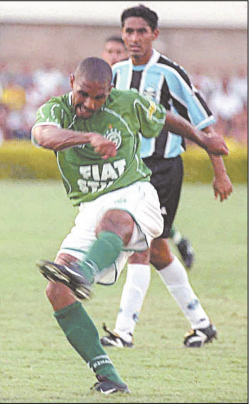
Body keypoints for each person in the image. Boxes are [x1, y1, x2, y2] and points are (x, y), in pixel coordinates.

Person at [33, 57, 228, 394]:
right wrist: (88, 138)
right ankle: (108, 375)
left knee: (113, 222)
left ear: (110, 91)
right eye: (84, 94)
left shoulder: (128, 103)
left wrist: (201, 137)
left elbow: (166, 118)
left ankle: (86, 270)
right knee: (56, 290)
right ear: (71, 83)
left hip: (136, 195)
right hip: (90, 209)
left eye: (100, 97)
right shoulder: (56, 111)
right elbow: (43, 135)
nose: (91, 104)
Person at [100, 4, 234, 350]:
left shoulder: (170, 73)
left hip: (162, 171)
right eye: (128, 31)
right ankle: (202, 325)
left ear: (154, 35)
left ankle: (122, 332)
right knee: (158, 251)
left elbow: (203, 123)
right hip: (130, 172)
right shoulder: (116, 73)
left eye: (141, 31)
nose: (133, 38)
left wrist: (220, 173)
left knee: (139, 249)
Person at [101, 34, 196, 269]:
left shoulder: (145, 81)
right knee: (136, 215)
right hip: (125, 161)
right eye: (109, 52)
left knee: (145, 231)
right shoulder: (104, 83)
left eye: (117, 52)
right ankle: (177, 242)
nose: (113, 57)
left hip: (154, 162)